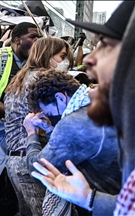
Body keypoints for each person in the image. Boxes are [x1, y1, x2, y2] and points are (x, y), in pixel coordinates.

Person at [30, 1, 135, 215]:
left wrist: (31, 134)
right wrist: (89, 198)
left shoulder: (76, 121)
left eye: (105, 45)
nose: (88, 58)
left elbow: (38, 166)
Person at [23, 69, 121, 215]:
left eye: (49, 113)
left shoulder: (73, 123)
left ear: (60, 98)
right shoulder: (103, 101)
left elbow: (38, 169)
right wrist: (51, 130)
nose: (50, 117)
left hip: (107, 203)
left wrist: (31, 134)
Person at [3, 36, 73, 215]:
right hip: (31, 159)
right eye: (61, 56)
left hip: (15, 161)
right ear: (47, 55)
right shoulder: (41, 80)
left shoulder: (20, 77)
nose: (64, 62)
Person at [0, 22, 39, 120]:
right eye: (32, 37)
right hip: (1, 120)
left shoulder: (37, 61)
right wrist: (13, 114)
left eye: (38, 37)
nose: (37, 41)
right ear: (18, 40)